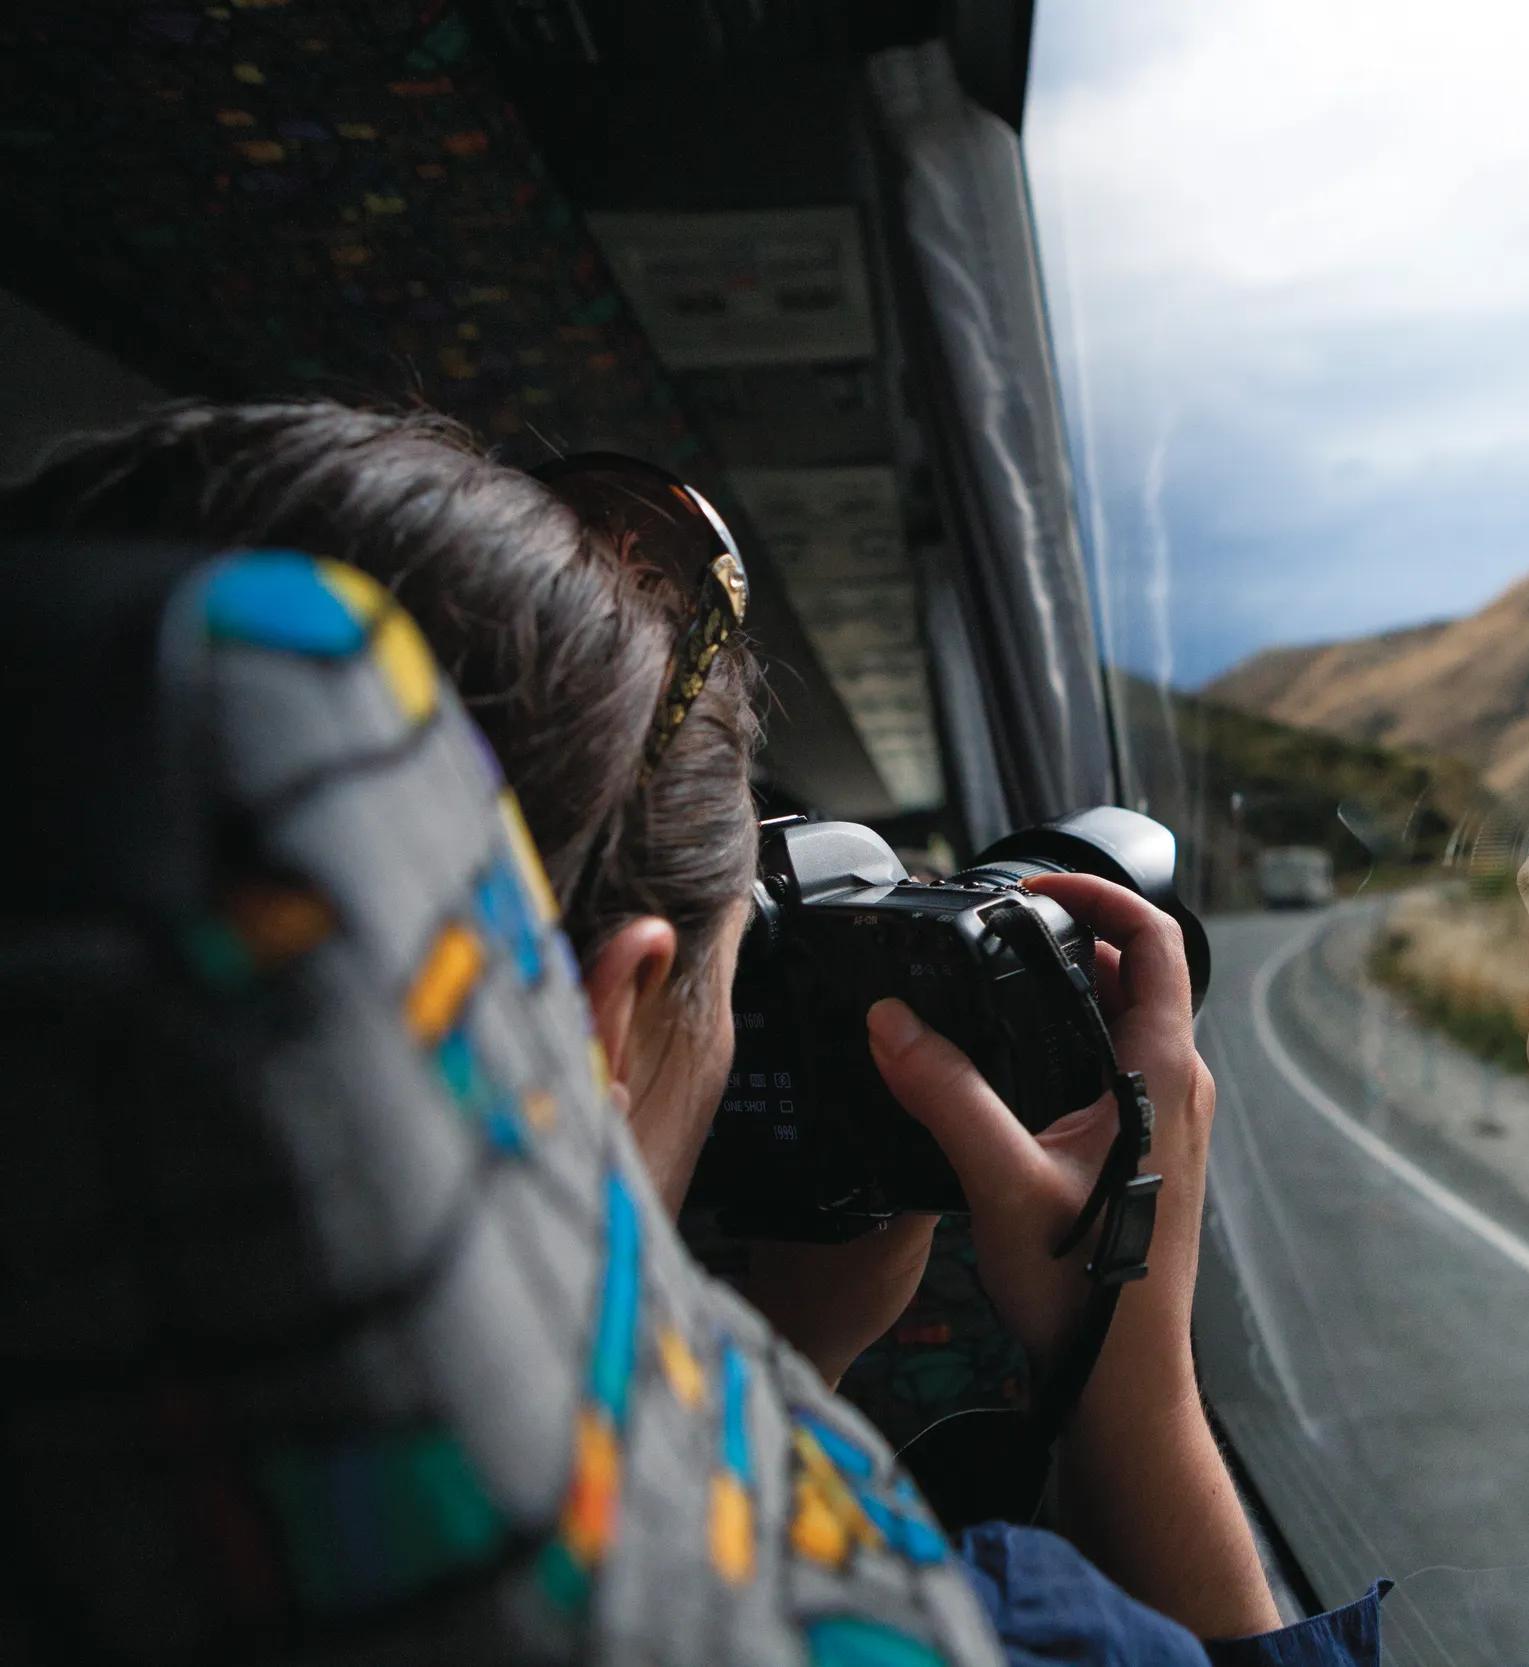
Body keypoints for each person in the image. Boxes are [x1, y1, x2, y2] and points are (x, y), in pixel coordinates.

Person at [0, 400, 1383, 1666]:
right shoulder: (960, 1625)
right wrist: (1123, 1377)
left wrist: (783, 1341)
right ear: (607, 1015)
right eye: (741, 967)